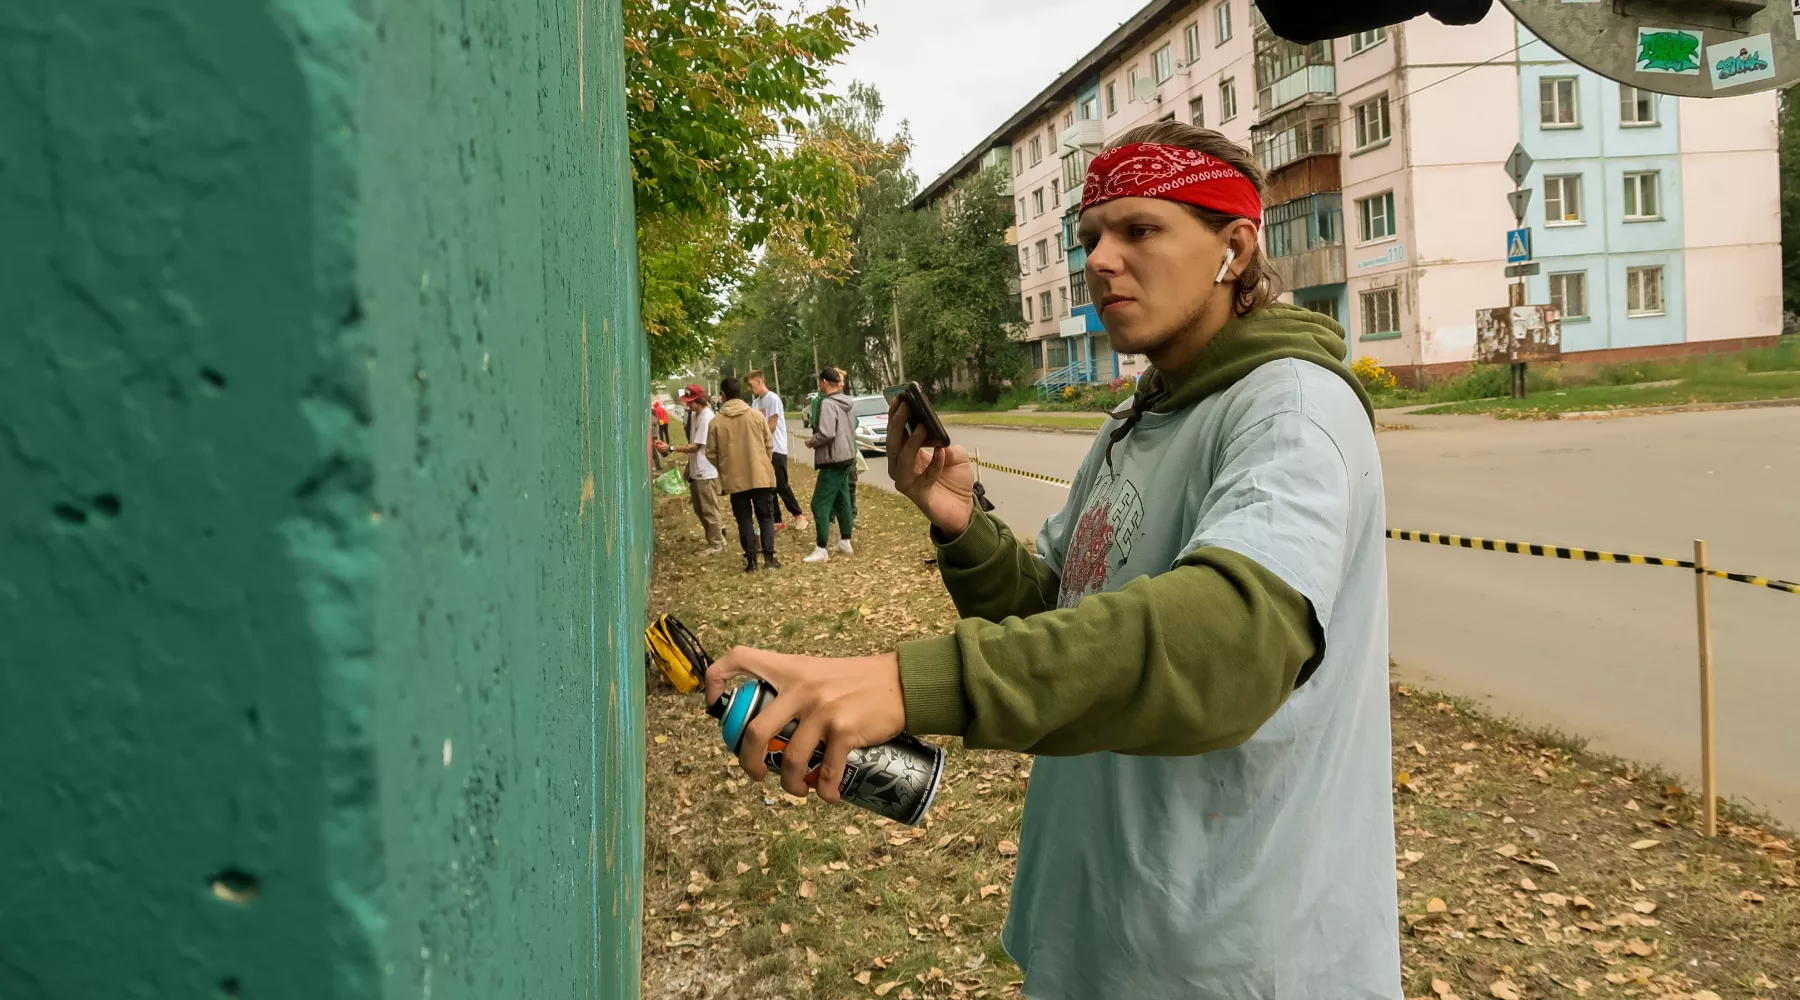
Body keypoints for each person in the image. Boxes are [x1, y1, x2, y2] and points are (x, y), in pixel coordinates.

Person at [702, 122, 1398, 998]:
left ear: (1235, 247)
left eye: (1139, 230)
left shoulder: (1291, 412)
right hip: (1104, 921)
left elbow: (1233, 643)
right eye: (1091, 237)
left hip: (1231, 950)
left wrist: (904, 685)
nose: (1101, 260)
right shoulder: (1138, 417)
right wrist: (963, 528)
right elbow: (1060, 613)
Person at [707, 377, 782, 572]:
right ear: (741, 393)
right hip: (760, 475)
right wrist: (762, 463)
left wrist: (725, 467)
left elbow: (711, 453)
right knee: (766, 517)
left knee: (744, 519)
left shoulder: (716, 422)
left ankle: (751, 561)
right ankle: (769, 558)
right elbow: (768, 444)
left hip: (734, 478)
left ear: (723, 395)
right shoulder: (756, 416)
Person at [802, 367, 856, 564]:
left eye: (819, 382)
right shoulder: (848, 402)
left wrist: (812, 441)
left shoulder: (827, 404)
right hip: (847, 456)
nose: (819, 385)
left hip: (833, 459)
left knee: (819, 503)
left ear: (824, 381)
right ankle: (845, 541)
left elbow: (826, 433)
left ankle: (821, 548)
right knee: (842, 499)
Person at [746, 370, 808, 534]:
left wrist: (757, 433)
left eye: (751, 385)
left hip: (777, 448)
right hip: (762, 450)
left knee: (780, 484)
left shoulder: (772, 399)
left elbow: (772, 425)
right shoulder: (755, 404)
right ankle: (777, 520)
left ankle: (799, 515)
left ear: (759, 381)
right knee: (768, 487)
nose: (750, 389)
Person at [666, 384, 724, 553]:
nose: (688, 405)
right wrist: (689, 467)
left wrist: (672, 448)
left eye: (691, 402)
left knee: (709, 509)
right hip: (697, 469)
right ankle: (715, 539)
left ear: (700, 400)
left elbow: (696, 446)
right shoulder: (695, 415)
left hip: (706, 470)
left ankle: (717, 544)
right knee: (699, 508)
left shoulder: (707, 417)